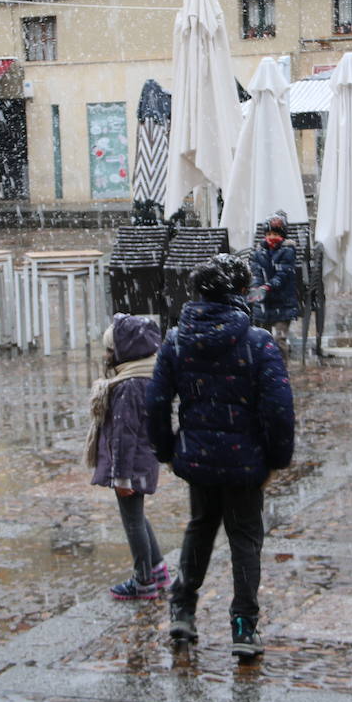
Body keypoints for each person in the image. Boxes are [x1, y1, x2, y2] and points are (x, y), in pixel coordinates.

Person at [148, 254, 295, 657]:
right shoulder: (258, 343)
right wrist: (277, 459)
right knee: (245, 538)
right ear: (240, 292)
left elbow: (156, 402)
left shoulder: (176, 340)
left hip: (198, 460)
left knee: (201, 525)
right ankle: (243, 626)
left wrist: (167, 449)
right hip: (246, 462)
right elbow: (279, 409)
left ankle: (182, 609)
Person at [86, 313, 172, 600]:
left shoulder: (128, 386)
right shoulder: (148, 377)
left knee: (132, 522)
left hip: (130, 466)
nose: (107, 354)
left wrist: (121, 476)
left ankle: (143, 579)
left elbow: (124, 436)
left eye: (110, 349)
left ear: (125, 351)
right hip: (143, 461)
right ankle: (157, 568)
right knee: (138, 516)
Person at [249, 214, 299, 351]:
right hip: (264, 303)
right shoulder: (259, 252)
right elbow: (256, 273)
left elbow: (283, 275)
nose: (272, 237)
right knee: (261, 339)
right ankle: (265, 368)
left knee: (279, 339)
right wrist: (257, 287)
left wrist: (269, 286)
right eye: (269, 233)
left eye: (275, 233)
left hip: (283, 304)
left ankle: (281, 368)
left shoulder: (287, 251)